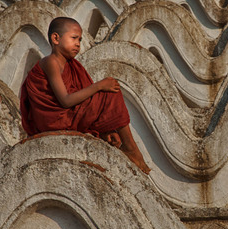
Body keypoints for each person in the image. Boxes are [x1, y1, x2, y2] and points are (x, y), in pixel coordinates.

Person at [20, 17, 151, 174]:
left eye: (80, 40)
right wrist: (99, 86)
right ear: (56, 38)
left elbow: (84, 103)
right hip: (55, 119)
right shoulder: (51, 62)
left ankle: (111, 135)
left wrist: (107, 130)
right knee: (109, 94)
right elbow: (65, 100)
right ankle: (131, 149)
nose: (78, 44)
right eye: (74, 38)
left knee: (108, 92)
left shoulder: (71, 65)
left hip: (68, 114)